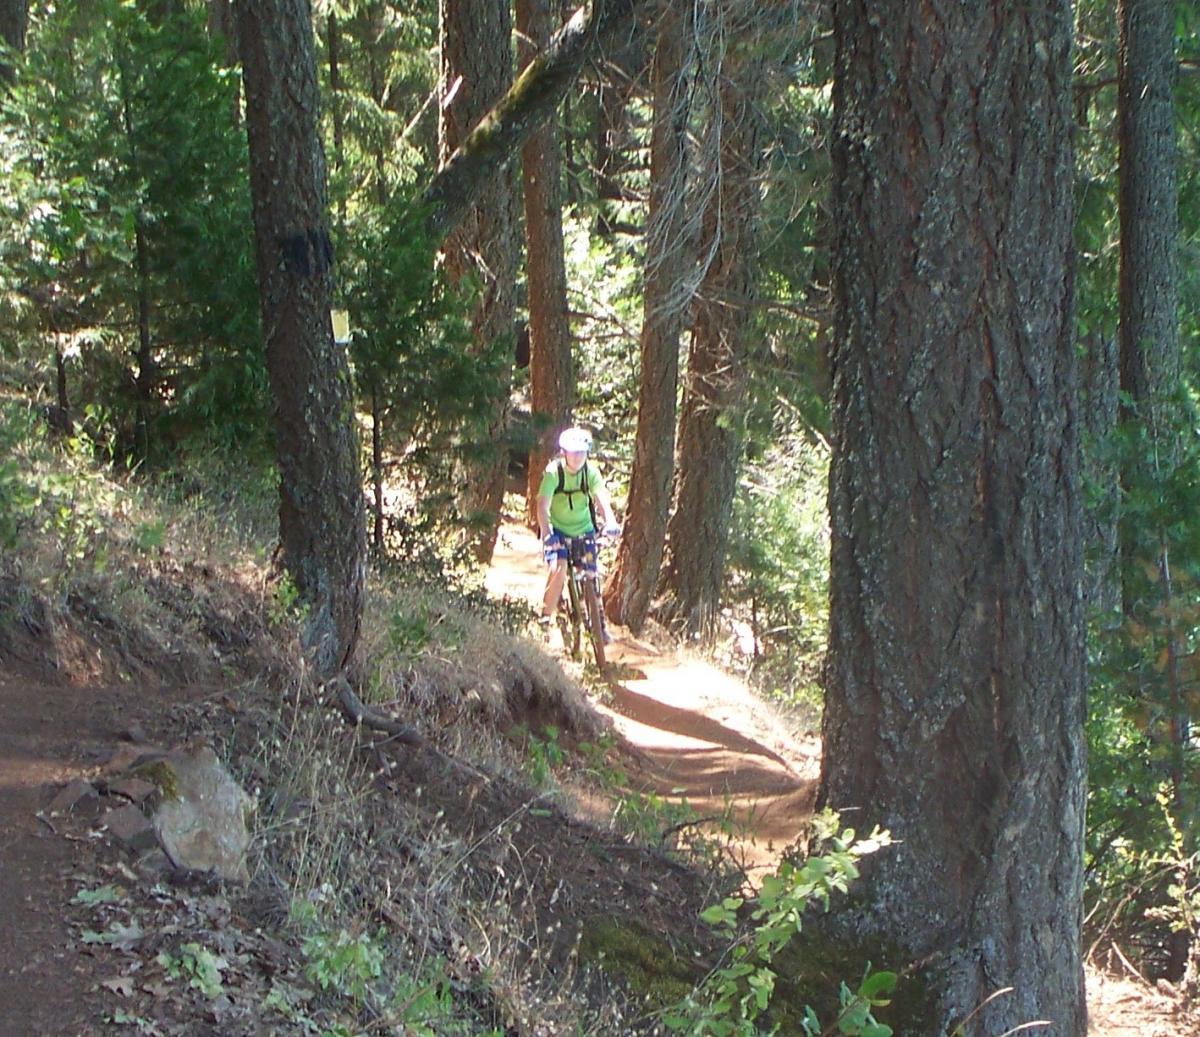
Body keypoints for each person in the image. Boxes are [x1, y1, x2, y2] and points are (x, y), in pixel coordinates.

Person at [536, 427, 620, 628]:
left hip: (584, 531)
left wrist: (611, 521)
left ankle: (599, 625)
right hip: (557, 532)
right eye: (573, 452)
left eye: (582, 452)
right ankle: (545, 619)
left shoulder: (590, 473)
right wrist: (547, 534)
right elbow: (542, 505)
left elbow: (601, 500)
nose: (578, 457)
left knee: (591, 571)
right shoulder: (553, 473)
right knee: (559, 566)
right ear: (564, 452)